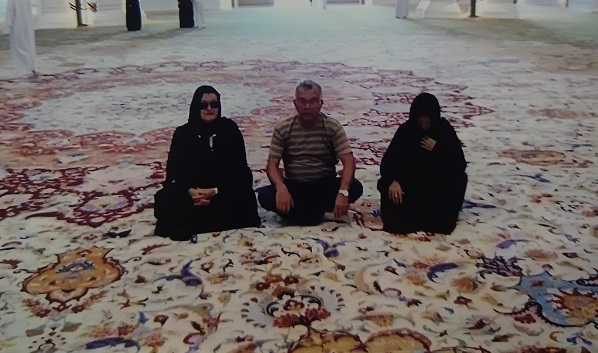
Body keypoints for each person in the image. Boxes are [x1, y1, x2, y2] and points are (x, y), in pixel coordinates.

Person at [154, 85, 261, 241]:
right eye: (204, 105)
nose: (209, 108)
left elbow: (242, 173)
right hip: (192, 195)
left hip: (221, 193)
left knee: (246, 197)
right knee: (164, 199)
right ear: (196, 107)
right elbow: (173, 174)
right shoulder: (183, 134)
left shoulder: (230, 130)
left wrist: (216, 191)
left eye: (214, 104)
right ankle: (209, 222)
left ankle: (187, 224)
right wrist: (190, 191)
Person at [257, 80, 363, 226]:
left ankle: (301, 215)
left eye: (313, 101)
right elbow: (272, 164)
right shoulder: (283, 128)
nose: (307, 106)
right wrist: (281, 188)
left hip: (324, 185)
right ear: (295, 104)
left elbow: (349, 161)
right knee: (264, 196)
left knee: (355, 187)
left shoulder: (332, 127)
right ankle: (318, 214)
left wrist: (343, 192)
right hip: (295, 186)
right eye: (302, 101)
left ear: (320, 103)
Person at [377, 93, 467, 235]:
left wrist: (438, 149)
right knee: (385, 186)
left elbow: (459, 165)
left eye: (427, 123)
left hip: (436, 191)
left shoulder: (444, 130)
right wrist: (393, 181)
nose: (424, 127)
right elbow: (388, 161)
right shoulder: (406, 131)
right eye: (421, 123)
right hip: (410, 189)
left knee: (459, 179)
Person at [5, 0, 36, 76]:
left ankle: (23, 70)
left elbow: (10, 12)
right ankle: (32, 67)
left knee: (19, 48)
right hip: (28, 24)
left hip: (17, 26)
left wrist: (7, 28)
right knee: (29, 45)